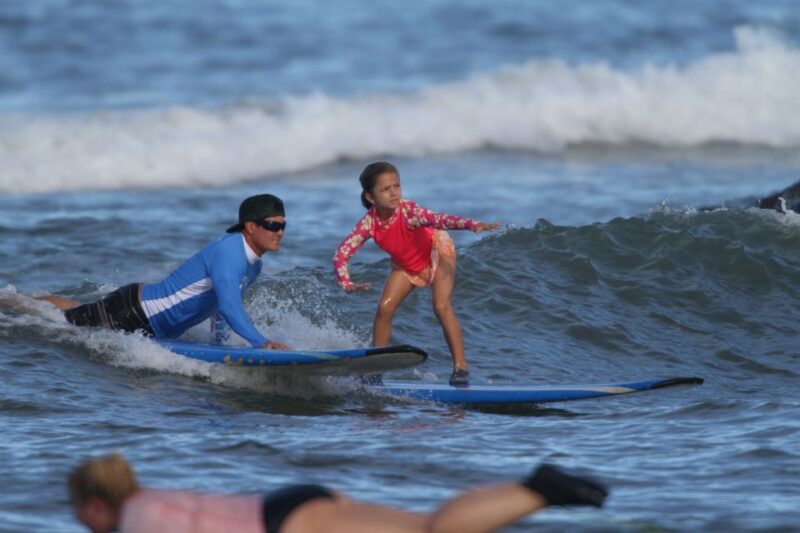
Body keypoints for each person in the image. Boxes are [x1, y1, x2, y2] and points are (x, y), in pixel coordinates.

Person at [68, 453, 608, 533]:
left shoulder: (136, 521)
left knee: (428, 530)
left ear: (95, 504)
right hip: (290, 503)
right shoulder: (149, 497)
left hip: (289, 524)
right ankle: (534, 492)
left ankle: (538, 490)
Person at [39, 194, 289, 350]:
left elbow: (219, 307)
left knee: (73, 312)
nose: (279, 232)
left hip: (151, 321)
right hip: (135, 313)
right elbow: (229, 305)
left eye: (282, 226)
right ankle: (12, 302)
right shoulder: (230, 252)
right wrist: (261, 342)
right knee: (60, 321)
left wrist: (218, 346)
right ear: (251, 226)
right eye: (273, 225)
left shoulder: (254, 265)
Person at [333, 162, 500, 386]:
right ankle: (374, 369)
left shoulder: (409, 211)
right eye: (385, 189)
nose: (394, 193)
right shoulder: (369, 224)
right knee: (384, 308)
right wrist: (346, 282)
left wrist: (472, 225)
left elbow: (439, 220)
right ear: (370, 197)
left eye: (396, 186)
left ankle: (461, 367)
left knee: (441, 306)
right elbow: (342, 253)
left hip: (436, 251)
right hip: (407, 265)